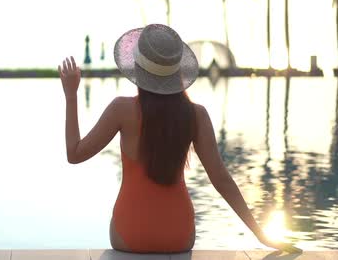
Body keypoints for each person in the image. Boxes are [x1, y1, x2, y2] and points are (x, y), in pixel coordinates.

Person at [57, 24, 301, 254]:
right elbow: (221, 180)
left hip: (129, 235)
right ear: (177, 72)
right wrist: (262, 235)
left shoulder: (121, 110)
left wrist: (71, 96)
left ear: (137, 70)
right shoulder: (197, 115)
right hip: (178, 236)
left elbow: (74, 154)